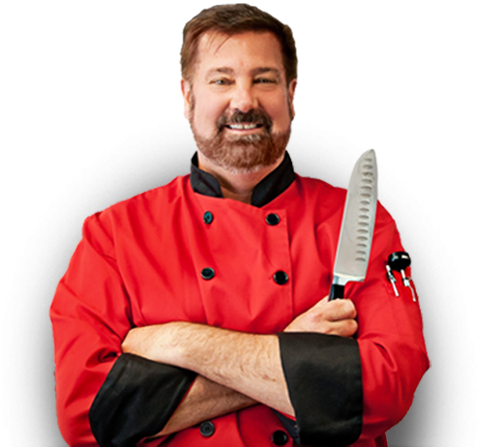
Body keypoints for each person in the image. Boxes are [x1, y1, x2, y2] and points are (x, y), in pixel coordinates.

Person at [49, 4, 430, 447]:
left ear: (290, 93)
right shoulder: (113, 234)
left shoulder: (357, 218)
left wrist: (177, 345)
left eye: (264, 80)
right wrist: (297, 350)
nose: (245, 101)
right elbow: (87, 416)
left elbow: (385, 391)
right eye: (222, 80)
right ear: (188, 95)